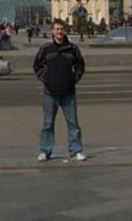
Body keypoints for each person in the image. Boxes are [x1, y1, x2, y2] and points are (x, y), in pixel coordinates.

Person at [33, 18, 86, 162]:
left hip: (68, 92)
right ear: (52, 31)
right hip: (50, 92)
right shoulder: (46, 49)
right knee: (48, 123)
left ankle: (76, 151)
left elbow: (80, 66)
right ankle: (45, 151)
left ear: (65, 31)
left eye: (61, 29)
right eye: (57, 29)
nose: (59, 32)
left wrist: (73, 79)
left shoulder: (72, 49)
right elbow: (37, 66)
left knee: (73, 123)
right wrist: (46, 79)